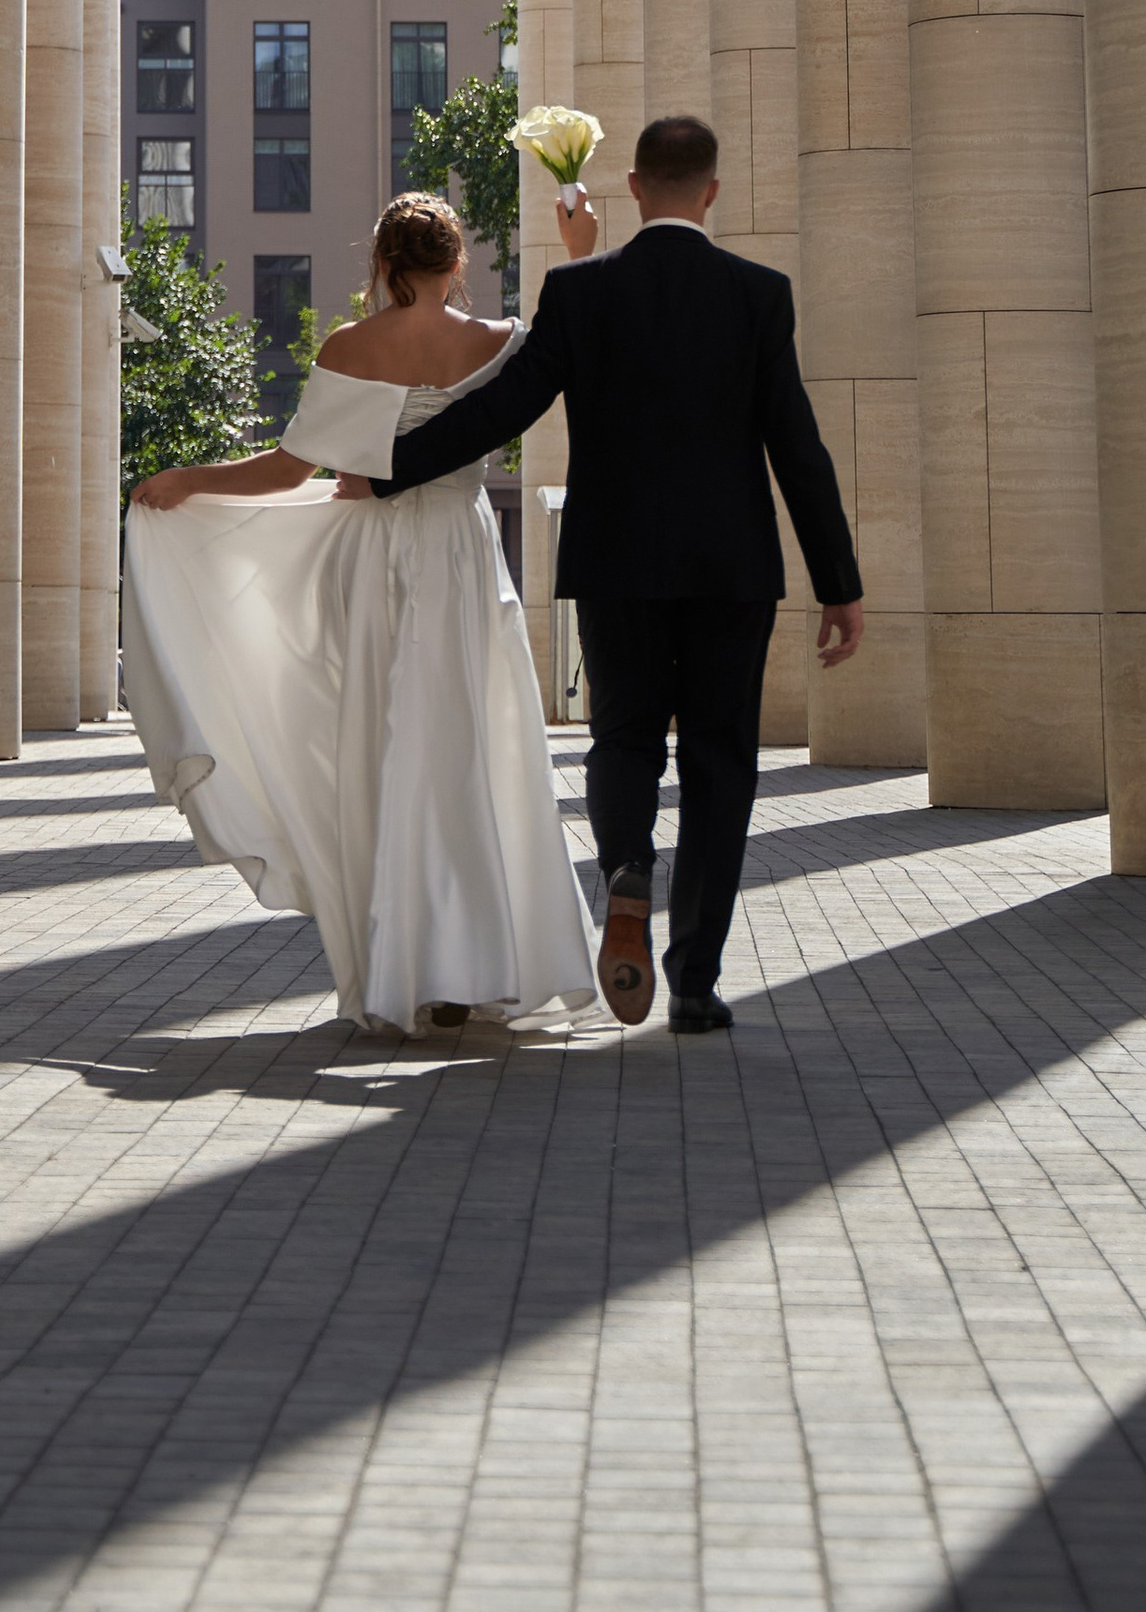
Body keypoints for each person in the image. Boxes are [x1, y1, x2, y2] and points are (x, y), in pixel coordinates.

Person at [367, 109, 864, 1036]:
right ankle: (695, 982)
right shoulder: (759, 294)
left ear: (632, 188)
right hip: (730, 568)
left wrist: (388, 468)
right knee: (721, 760)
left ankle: (628, 867)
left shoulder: (581, 291)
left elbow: (505, 407)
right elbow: (796, 444)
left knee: (625, 738)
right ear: (711, 192)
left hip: (615, 560)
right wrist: (839, 580)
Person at [121, 190, 598, 1038]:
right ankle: (475, 960)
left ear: (380, 263)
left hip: (380, 564)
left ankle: (405, 962)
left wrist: (190, 480)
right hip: (464, 554)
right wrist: (579, 251)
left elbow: (286, 471)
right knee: (472, 752)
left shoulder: (351, 345)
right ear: (458, 263)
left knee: (388, 752)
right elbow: (569, 350)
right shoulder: (502, 343)